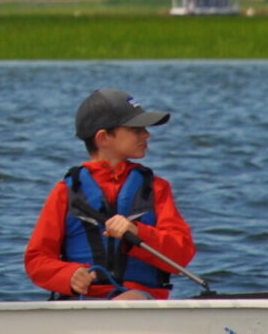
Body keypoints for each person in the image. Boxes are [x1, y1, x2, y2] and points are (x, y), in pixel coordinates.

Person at [24, 88, 195, 300]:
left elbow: (182, 255)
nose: (146, 134)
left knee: (132, 300)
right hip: (83, 303)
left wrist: (136, 231)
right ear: (103, 138)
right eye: (136, 129)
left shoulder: (157, 189)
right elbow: (36, 260)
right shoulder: (65, 192)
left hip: (141, 301)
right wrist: (68, 276)